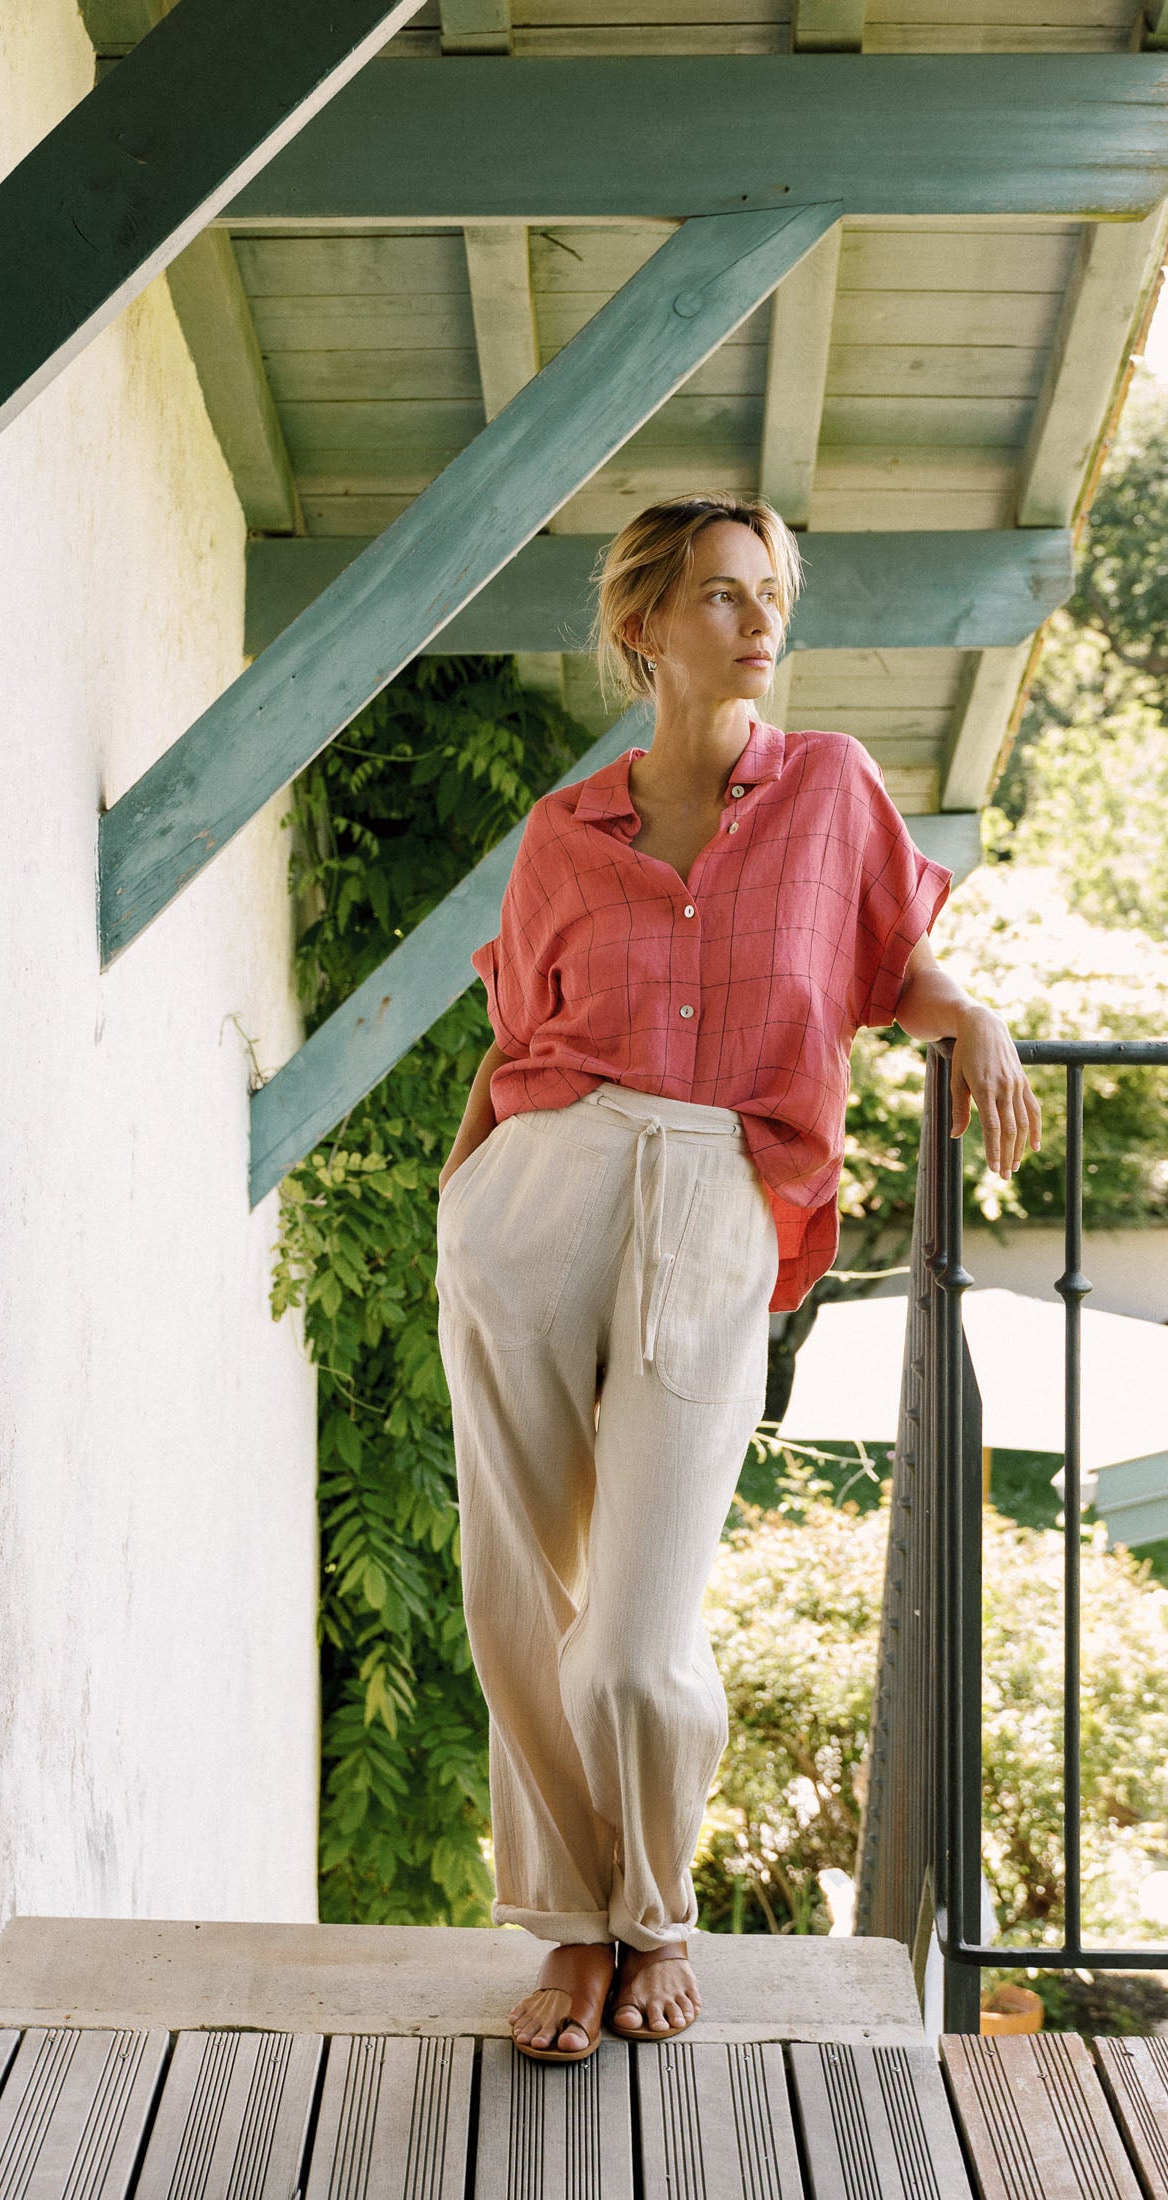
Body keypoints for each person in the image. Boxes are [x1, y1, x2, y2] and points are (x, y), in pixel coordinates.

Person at [433, 492, 1041, 2064]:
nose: (759, 618)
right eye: (719, 594)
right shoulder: (567, 831)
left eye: (770, 592)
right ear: (646, 628)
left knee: (636, 1631)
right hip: (542, 1194)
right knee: (520, 1582)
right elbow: (516, 1044)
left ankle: (656, 1909)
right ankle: (576, 1935)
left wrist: (965, 1009)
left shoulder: (830, 789)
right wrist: (473, 1202)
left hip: (718, 1197)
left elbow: (882, 963)